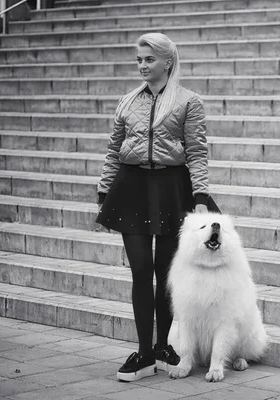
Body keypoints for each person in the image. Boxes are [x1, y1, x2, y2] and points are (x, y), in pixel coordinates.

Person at [96, 32, 218, 382]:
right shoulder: (128, 101)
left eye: (149, 59)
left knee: (165, 274)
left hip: (170, 189)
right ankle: (144, 352)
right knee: (140, 271)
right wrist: (105, 191)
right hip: (131, 187)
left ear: (167, 61)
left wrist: (199, 198)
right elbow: (113, 149)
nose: (142, 66)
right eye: (139, 60)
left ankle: (164, 347)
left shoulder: (188, 101)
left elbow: (196, 152)